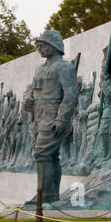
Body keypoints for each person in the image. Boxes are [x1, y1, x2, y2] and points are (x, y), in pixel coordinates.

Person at [20, 29, 79, 204]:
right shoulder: (40, 69)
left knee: (42, 154)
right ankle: (50, 196)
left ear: (54, 45)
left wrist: (62, 118)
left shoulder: (64, 67)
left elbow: (70, 95)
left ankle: (43, 195)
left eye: (43, 45)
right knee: (50, 156)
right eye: (38, 45)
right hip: (39, 116)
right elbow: (32, 89)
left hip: (53, 116)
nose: (40, 48)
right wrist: (28, 99)